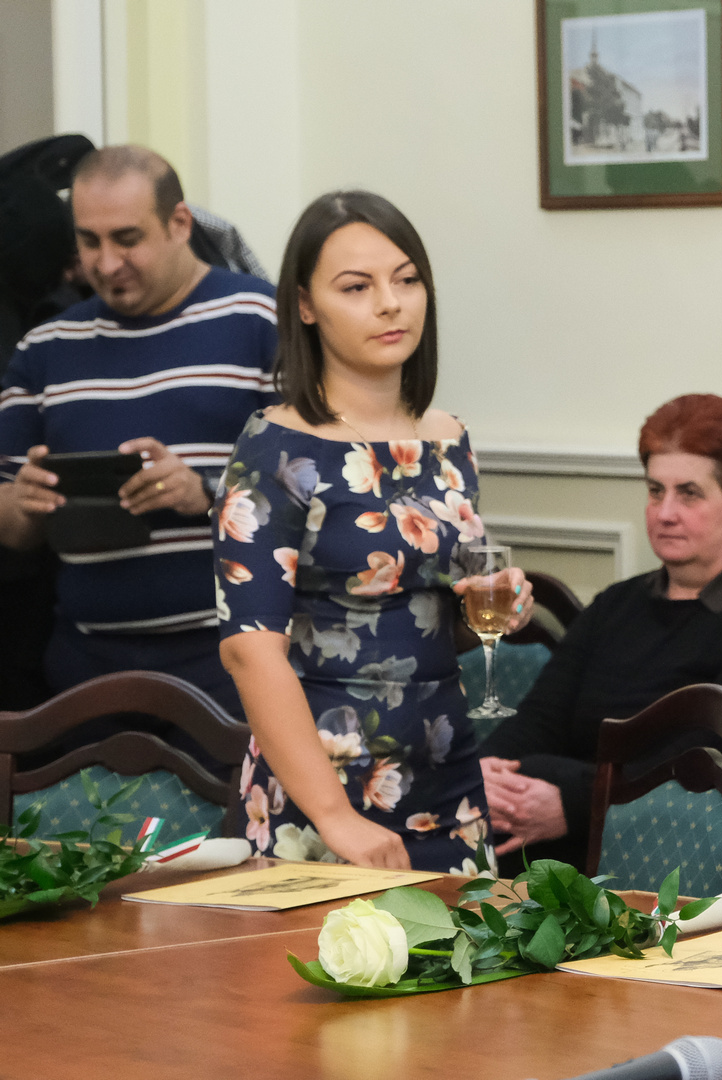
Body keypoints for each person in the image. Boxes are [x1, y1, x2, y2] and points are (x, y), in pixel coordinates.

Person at [214, 190, 533, 871]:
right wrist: (335, 818)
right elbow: (249, 651)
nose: (391, 304)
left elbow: (431, 613)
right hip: (323, 796)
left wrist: (493, 604)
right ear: (306, 306)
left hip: (448, 782)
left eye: (406, 280)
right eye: (357, 287)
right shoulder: (275, 447)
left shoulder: (448, 437)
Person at [478, 393, 722, 872]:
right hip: (550, 835)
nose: (665, 512)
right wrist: (488, 770)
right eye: (655, 491)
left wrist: (579, 802)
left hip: (688, 857)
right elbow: (541, 718)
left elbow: (710, 760)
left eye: (689, 493)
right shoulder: (616, 603)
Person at [0, 145, 276, 729]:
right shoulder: (43, 348)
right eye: (89, 241)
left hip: (236, 661)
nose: (106, 263)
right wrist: (21, 504)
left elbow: (324, 486)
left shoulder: (261, 320)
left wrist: (205, 492)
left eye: (127, 239)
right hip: (86, 673)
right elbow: (9, 523)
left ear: (179, 224)